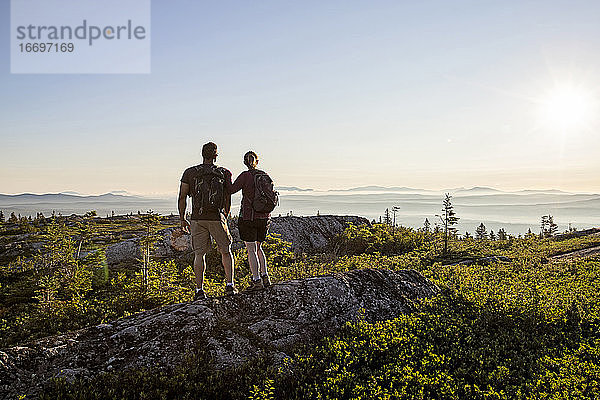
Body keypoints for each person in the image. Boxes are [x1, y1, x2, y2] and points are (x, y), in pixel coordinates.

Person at [178, 142, 237, 300]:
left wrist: (182, 218)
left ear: (202, 154)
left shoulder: (189, 172)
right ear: (216, 155)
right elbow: (227, 197)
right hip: (216, 217)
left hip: (197, 218)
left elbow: (182, 196)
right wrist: (225, 214)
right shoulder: (224, 172)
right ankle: (230, 286)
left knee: (199, 254)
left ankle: (199, 291)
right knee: (226, 251)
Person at [230, 151, 272, 291]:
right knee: (259, 248)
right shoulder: (265, 176)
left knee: (251, 250)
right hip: (264, 218)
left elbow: (231, 190)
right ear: (257, 162)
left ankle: (256, 280)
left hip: (248, 217)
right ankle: (265, 276)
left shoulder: (245, 176)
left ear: (244, 162)